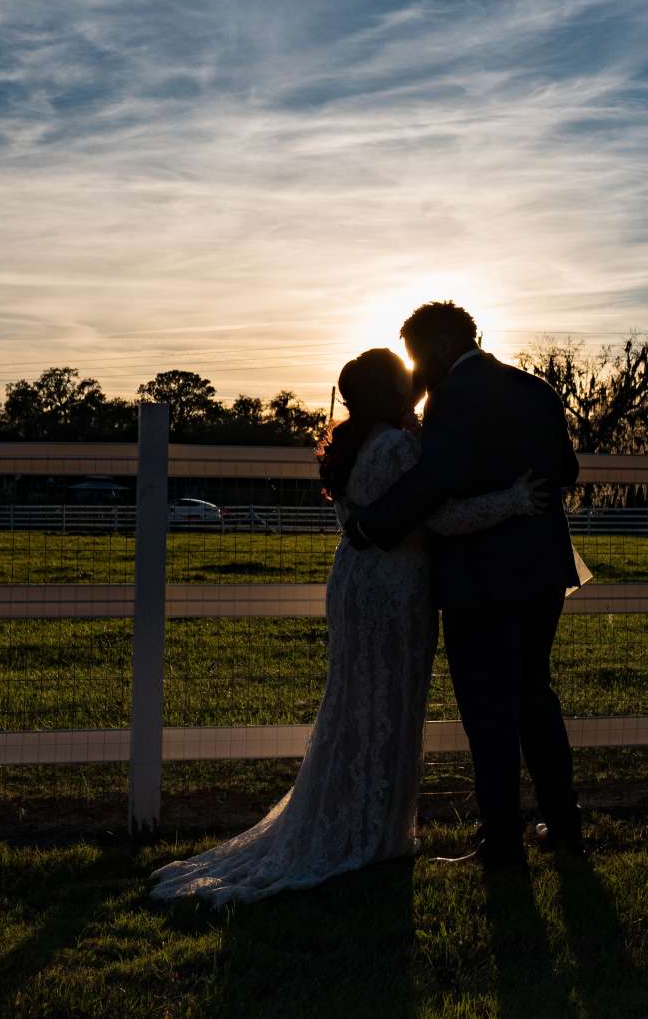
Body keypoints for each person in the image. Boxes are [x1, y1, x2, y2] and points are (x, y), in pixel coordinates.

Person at [151, 346, 547, 905]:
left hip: (354, 578)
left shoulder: (350, 443)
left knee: (354, 702)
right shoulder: (400, 445)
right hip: (396, 585)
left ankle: (354, 820)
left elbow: (356, 518)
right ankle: (370, 834)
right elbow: (438, 516)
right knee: (388, 704)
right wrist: (513, 500)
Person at [345, 301, 584, 872]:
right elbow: (567, 472)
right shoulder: (535, 388)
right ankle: (564, 823)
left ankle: (502, 840)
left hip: (481, 577)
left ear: (446, 344)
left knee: (487, 708)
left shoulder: (455, 397)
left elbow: (436, 480)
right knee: (534, 695)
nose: (414, 369)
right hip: (543, 572)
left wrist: (373, 524)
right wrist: (522, 496)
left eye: (417, 353)